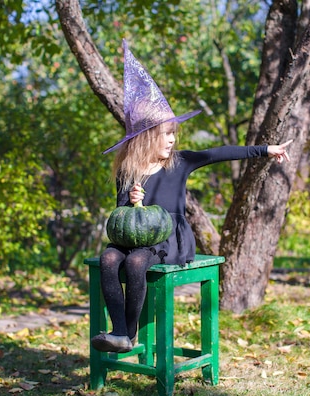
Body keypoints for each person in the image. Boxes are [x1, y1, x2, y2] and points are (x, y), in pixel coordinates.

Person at [90, 40, 292, 353]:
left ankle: (127, 335)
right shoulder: (126, 171)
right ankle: (119, 330)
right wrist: (129, 198)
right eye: (165, 134)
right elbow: (121, 219)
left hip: (169, 239)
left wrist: (264, 149)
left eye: (173, 134)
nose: (171, 140)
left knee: (136, 262)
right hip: (133, 237)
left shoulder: (180, 162)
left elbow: (218, 153)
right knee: (109, 258)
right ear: (145, 139)